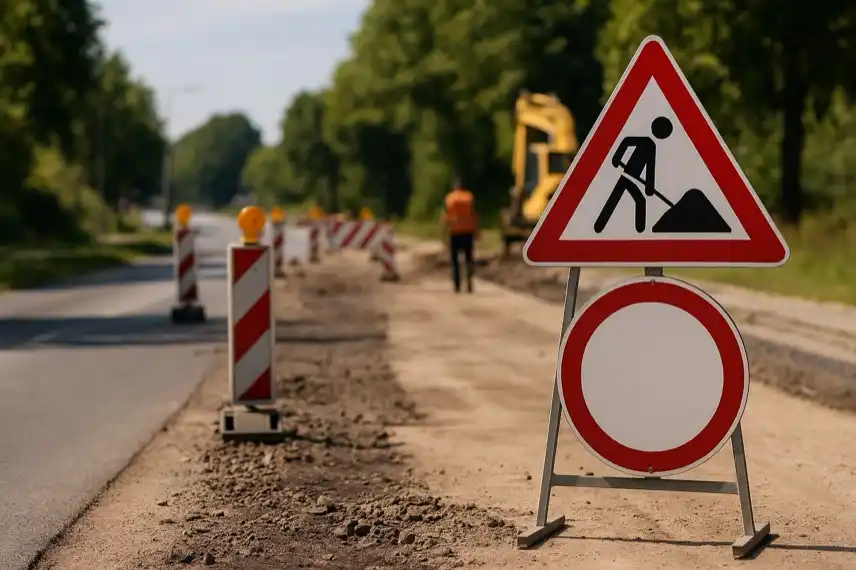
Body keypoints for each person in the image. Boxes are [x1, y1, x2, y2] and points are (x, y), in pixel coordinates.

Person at [593, 116, 673, 233]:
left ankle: (600, 227)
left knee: (618, 199)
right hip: (627, 176)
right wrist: (616, 158)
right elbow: (626, 141)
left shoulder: (651, 145)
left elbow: (650, 168)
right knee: (622, 200)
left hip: (632, 179)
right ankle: (600, 227)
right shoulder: (645, 141)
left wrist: (649, 188)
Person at [440, 177, 478, 293]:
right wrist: (477, 231)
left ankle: (457, 285)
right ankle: (469, 281)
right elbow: (473, 215)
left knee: (455, 261)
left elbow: (447, 215)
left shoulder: (450, 198)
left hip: (455, 232)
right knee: (469, 259)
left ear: (454, 187)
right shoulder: (469, 197)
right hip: (468, 231)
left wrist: (443, 231)